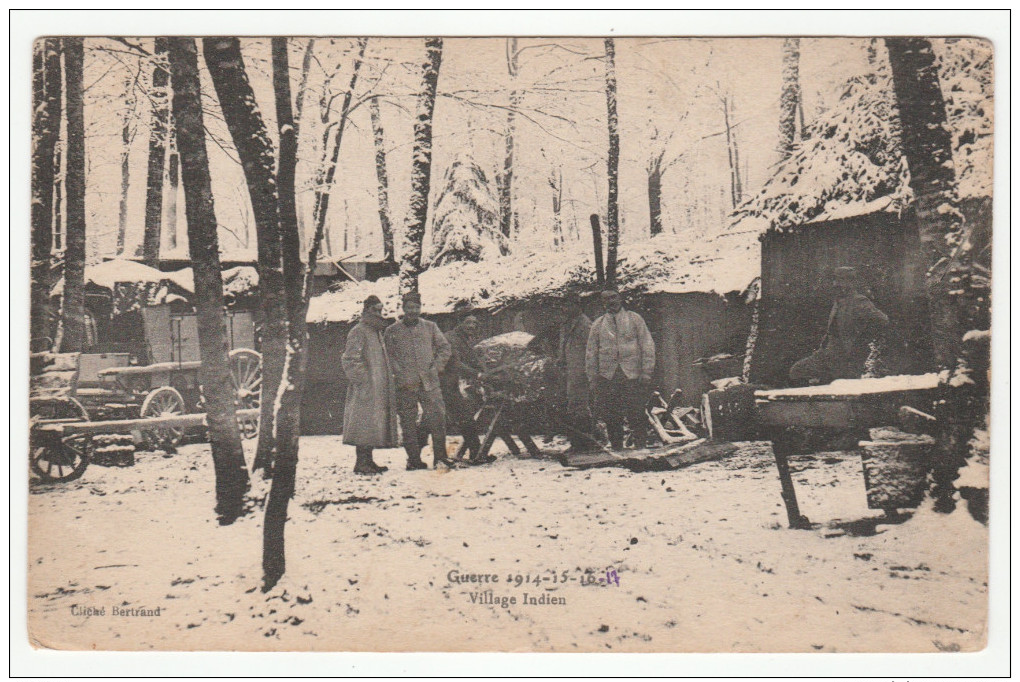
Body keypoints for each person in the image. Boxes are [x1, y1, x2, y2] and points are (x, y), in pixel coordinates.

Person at [384, 292, 455, 470]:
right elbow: (388, 356)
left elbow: (444, 348)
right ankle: (413, 459)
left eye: (416, 307)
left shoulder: (430, 327)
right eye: (409, 308)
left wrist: (437, 367)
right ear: (403, 308)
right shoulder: (392, 330)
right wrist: (399, 373)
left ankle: (440, 457)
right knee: (408, 421)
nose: (413, 311)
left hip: (429, 382)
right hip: (405, 384)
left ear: (420, 308)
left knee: (437, 418)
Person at [789, 267, 890, 386]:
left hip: (846, 356)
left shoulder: (858, 301)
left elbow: (882, 319)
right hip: (828, 352)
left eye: (842, 281)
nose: (837, 284)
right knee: (797, 371)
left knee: (842, 386)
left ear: (851, 283)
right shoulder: (838, 302)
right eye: (836, 281)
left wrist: (861, 340)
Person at [585, 288, 656, 450]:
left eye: (614, 297)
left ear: (620, 298)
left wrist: (646, 372)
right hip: (608, 375)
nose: (611, 301)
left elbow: (647, 345)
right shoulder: (598, 324)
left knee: (636, 411)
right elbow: (591, 353)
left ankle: (640, 446)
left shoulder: (634, 319)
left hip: (631, 374)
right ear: (603, 303)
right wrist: (593, 377)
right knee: (611, 414)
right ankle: (617, 446)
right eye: (606, 299)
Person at [340, 295, 397, 475]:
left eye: (380, 310)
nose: (378, 314)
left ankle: (369, 461)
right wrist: (363, 382)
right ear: (366, 311)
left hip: (378, 388)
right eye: (374, 310)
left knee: (372, 424)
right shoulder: (358, 331)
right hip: (365, 388)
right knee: (363, 424)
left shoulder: (377, 332)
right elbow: (350, 359)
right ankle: (361, 463)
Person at [442, 311, 492, 464]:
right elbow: (454, 363)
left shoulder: (468, 339)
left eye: (474, 323)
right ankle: (415, 456)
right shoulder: (450, 338)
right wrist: (477, 374)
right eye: (468, 322)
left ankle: (476, 453)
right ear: (460, 322)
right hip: (445, 382)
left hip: (457, 382)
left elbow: (473, 359)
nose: (471, 326)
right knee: (434, 422)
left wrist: (486, 370)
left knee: (465, 417)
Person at [557, 293, 594, 452]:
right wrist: (561, 359)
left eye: (569, 305)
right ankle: (579, 442)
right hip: (570, 369)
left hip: (581, 370)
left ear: (578, 306)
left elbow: (590, 349)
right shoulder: (567, 324)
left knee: (580, 406)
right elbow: (564, 346)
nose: (566, 309)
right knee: (573, 405)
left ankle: (584, 443)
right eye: (564, 306)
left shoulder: (585, 324)